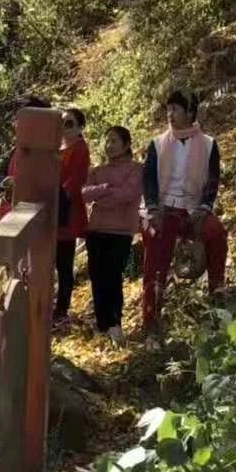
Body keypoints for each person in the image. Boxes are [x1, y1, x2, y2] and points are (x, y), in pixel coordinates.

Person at [142, 90, 227, 330]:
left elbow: (212, 179)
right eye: (168, 109)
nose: (170, 114)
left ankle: (217, 297)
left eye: (176, 109)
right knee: (155, 263)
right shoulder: (157, 144)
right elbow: (148, 179)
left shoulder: (209, 144)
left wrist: (205, 207)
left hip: (193, 209)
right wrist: (152, 207)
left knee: (217, 234)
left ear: (190, 112)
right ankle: (150, 322)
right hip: (163, 207)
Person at [82, 126, 143, 344]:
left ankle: (115, 323)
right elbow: (84, 194)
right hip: (96, 229)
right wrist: (107, 189)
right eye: (107, 141)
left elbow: (128, 195)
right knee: (97, 277)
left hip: (120, 231)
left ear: (127, 145)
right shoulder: (97, 171)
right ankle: (102, 325)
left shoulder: (136, 169)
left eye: (114, 141)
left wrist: (102, 192)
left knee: (113, 277)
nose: (109, 145)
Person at [54, 108, 90, 331]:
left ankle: (61, 310)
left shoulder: (79, 148)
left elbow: (76, 179)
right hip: (51, 210)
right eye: (62, 122)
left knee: (64, 263)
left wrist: (60, 196)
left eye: (69, 123)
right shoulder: (55, 148)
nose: (64, 126)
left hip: (66, 212)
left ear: (79, 127)